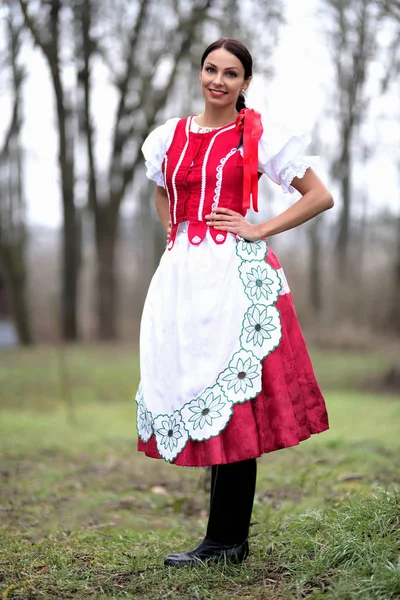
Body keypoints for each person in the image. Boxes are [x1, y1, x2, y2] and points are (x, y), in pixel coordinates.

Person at [135, 38, 334, 568]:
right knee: (200, 390)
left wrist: (258, 227)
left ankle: (226, 542)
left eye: (231, 73)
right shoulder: (168, 136)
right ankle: (222, 540)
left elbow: (319, 195)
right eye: (210, 69)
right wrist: (175, 235)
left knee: (234, 403)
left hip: (236, 278)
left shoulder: (259, 134)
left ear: (246, 83)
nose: (217, 80)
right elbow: (162, 189)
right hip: (182, 278)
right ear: (199, 73)